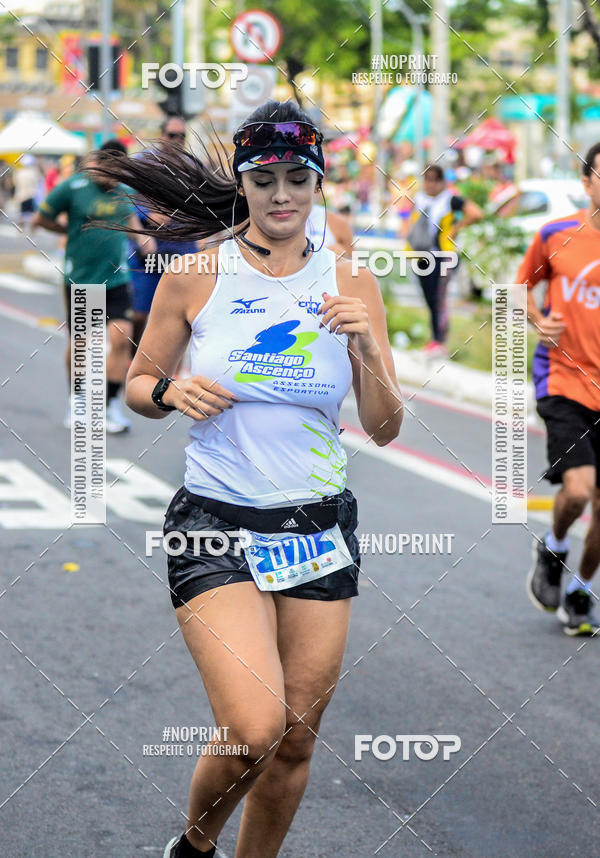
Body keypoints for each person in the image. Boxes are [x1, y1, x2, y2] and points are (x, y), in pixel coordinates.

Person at [90, 99, 403, 858]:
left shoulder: (353, 281)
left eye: (300, 177)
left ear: (320, 183)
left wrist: (365, 349)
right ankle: (194, 847)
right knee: (255, 728)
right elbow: (139, 384)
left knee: (294, 740)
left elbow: (387, 424)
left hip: (317, 527)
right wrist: (170, 393)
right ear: (245, 181)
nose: (283, 194)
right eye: (266, 179)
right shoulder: (198, 274)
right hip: (216, 520)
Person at [520, 141, 600, 635]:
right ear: (587, 179)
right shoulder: (556, 234)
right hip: (564, 380)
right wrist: (535, 318)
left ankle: (579, 590)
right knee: (579, 488)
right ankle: (555, 544)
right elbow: (518, 287)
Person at [32, 139, 155, 433]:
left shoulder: (125, 193)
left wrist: (145, 242)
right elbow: (41, 219)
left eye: (119, 174)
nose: (112, 179)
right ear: (98, 165)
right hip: (81, 278)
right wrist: (68, 229)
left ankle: (111, 404)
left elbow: (133, 226)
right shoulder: (73, 188)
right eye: (108, 172)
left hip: (116, 278)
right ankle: (77, 401)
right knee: (81, 344)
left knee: (122, 338)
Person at [128, 116, 193, 351]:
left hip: (183, 250)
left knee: (182, 314)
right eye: (172, 135)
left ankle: (168, 369)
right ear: (161, 135)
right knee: (139, 314)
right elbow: (126, 197)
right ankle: (134, 353)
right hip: (148, 251)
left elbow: (204, 202)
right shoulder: (143, 162)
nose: (177, 141)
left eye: (182, 136)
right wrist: (147, 215)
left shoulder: (193, 166)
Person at [404, 163, 482, 356]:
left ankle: (440, 341)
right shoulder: (420, 199)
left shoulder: (451, 200)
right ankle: (434, 339)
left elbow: (476, 213)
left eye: (434, 180)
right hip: (422, 256)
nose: (430, 184)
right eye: (427, 180)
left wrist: (456, 228)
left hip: (443, 257)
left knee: (439, 299)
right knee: (430, 299)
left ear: (441, 182)